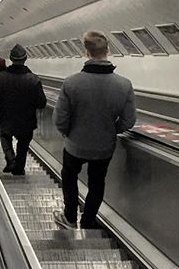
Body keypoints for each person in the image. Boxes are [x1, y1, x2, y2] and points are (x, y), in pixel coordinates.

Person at [52, 30, 136, 230]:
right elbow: (129, 120)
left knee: (70, 176)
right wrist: (110, 130)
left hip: (74, 145)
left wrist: (68, 132)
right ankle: (88, 221)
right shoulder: (124, 85)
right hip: (104, 147)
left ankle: (70, 217)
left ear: (86, 52)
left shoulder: (71, 83)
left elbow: (60, 118)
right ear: (107, 50)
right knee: (97, 182)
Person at [0, 44, 46, 175]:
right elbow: (42, 102)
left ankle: (10, 159)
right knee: (23, 143)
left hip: (6, 117)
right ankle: (19, 167)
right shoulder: (33, 79)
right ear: (25, 58)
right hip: (27, 119)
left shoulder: (1, 77)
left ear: (10, 58)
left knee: (5, 137)